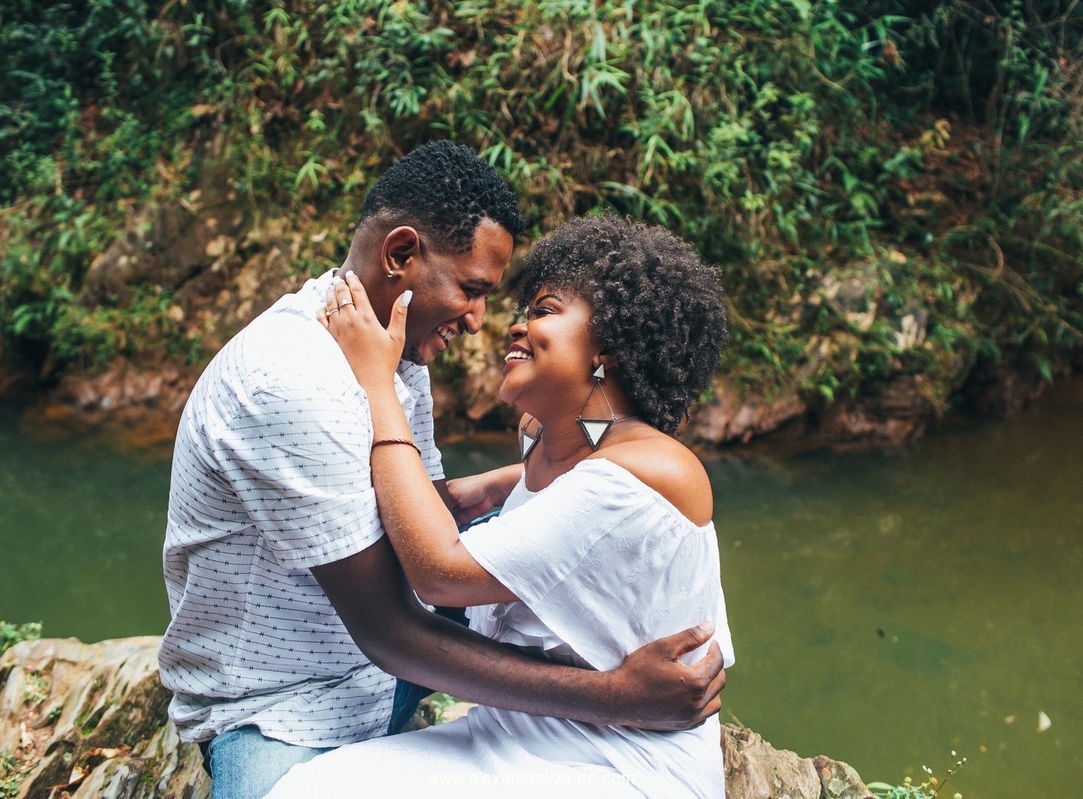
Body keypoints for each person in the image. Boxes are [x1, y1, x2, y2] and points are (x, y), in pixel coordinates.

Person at [158, 142, 726, 799]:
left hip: (389, 668)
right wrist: (614, 695)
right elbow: (395, 624)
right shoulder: (292, 380)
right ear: (400, 255)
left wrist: (528, 476)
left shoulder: (401, 358)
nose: (484, 321)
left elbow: (411, 503)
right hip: (294, 699)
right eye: (473, 290)